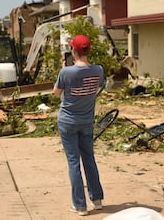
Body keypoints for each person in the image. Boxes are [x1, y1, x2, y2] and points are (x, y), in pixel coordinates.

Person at [53, 35, 105, 216]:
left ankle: (80, 205)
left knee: (74, 162)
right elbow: (98, 87)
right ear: (88, 50)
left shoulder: (67, 72)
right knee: (89, 159)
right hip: (87, 122)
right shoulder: (98, 70)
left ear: (73, 51)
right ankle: (97, 199)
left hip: (67, 122)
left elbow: (56, 93)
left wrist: (63, 72)